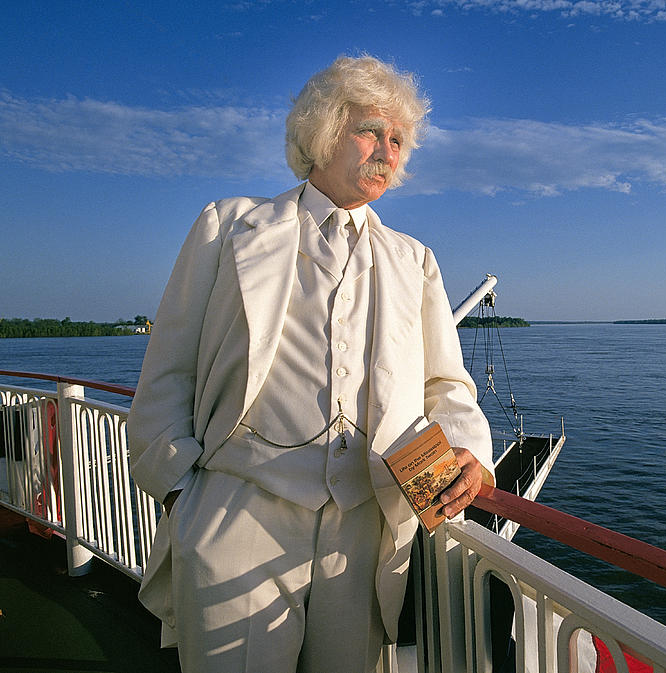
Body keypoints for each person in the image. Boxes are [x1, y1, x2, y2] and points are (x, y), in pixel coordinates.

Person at [127, 55, 493, 673]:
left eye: (398, 139)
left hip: (361, 528)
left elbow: (444, 384)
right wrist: (182, 491)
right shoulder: (229, 227)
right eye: (371, 131)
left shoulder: (413, 260)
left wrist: (469, 450)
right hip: (239, 508)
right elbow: (168, 371)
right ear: (321, 132)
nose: (388, 149)